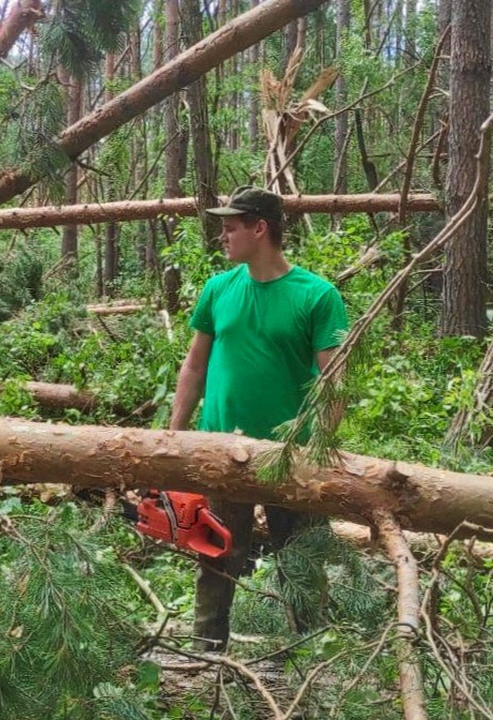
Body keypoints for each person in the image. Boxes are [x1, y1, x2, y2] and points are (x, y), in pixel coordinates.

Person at [169, 186, 349, 652]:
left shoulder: (317, 295)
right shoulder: (218, 289)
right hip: (221, 452)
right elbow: (194, 365)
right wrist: (173, 436)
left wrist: (322, 450)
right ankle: (205, 654)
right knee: (216, 557)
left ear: (260, 228)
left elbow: (334, 381)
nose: (223, 237)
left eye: (231, 228)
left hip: (292, 458)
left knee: (301, 559)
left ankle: (311, 656)